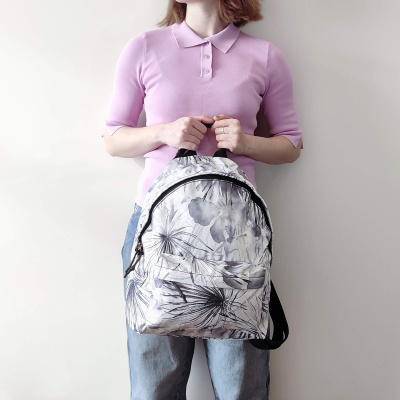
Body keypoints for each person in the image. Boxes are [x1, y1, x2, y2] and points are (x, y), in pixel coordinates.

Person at [103, 1, 303, 399]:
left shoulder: (265, 56)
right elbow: (112, 138)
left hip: (236, 237)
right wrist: (163, 133)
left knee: (240, 385)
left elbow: (291, 144)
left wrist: (246, 143)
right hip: (157, 231)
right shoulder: (144, 47)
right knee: (154, 386)